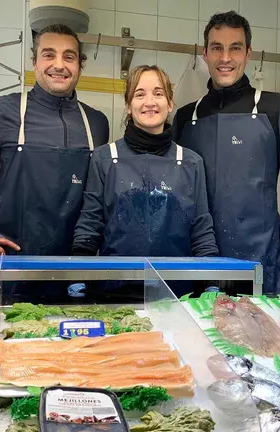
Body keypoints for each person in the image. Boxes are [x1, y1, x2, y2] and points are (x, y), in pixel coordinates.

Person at [0, 24, 109, 301]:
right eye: (49, 55)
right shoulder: (1, 112)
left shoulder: (96, 122)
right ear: (35, 62)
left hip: (80, 270)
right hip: (16, 270)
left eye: (69, 56)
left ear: (79, 66)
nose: (59, 65)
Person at [172, 11, 280, 295]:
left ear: (248, 53)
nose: (225, 58)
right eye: (217, 48)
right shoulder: (185, 117)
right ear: (205, 54)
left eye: (235, 48)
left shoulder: (276, 108)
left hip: (263, 261)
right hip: (199, 262)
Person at [71, 65, 218, 297]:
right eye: (140, 94)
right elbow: (90, 222)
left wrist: (212, 279)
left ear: (170, 104)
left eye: (158, 94)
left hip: (177, 293)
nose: (150, 102)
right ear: (128, 105)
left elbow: (201, 229)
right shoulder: (105, 158)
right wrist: (78, 273)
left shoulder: (191, 162)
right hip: (115, 291)